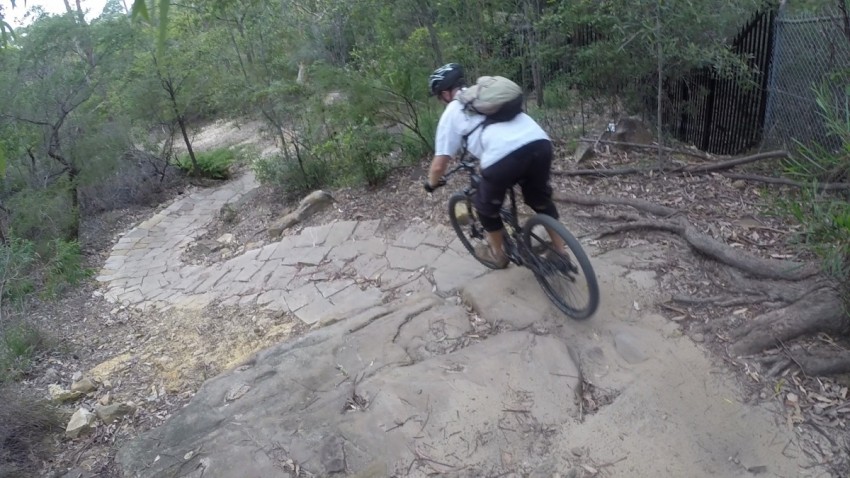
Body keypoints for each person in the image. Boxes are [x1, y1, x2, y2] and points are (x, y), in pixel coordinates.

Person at [425, 63, 565, 269]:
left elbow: (439, 166)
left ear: (446, 93)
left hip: (503, 158)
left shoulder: (453, 112)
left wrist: (431, 184)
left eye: (439, 96)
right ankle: (561, 252)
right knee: (539, 198)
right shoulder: (487, 94)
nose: (441, 101)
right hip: (540, 143)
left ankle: (498, 256)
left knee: (486, 209)